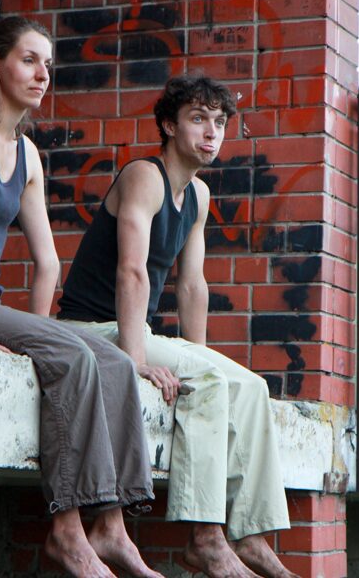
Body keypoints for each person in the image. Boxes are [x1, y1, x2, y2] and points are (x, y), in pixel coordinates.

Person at [0, 16, 163, 578]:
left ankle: (112, 526)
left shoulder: (27, 153)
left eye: (47, 64)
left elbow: (48, 261)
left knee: (115, 363)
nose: (42, 74)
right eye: (29, 60)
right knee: (71, 354)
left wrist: (37, 335)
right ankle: (68, 532)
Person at [58, 75, 299, 578]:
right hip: (90, 328)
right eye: (198, 119)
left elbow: (192, 286)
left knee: (249, 387)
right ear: (169, 125)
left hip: (132, 329)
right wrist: (136, 361)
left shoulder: (198, 195)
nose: (211, 133)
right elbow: (131, 271)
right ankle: (206, 538)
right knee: (207, 382)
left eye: (220, 122)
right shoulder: (143, 176)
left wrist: (196, 356)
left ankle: (251, 535)